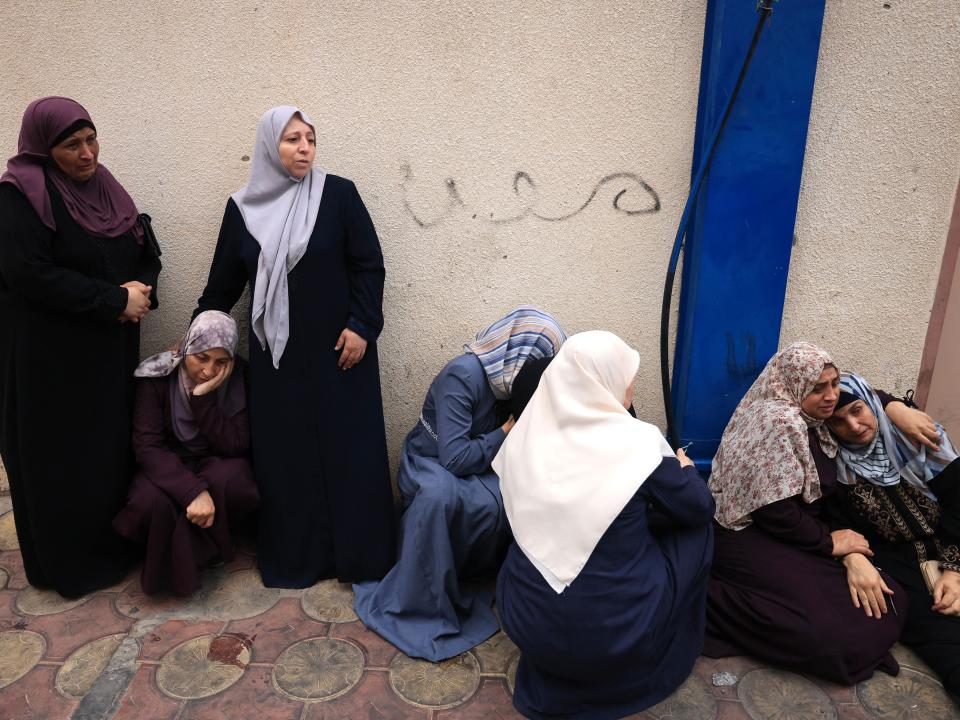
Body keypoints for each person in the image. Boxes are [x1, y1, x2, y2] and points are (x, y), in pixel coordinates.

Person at [195, 106, 394, 588]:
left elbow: (368, 265)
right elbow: (222, 288)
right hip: (277, 363)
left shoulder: (339, 195)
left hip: (342, 353)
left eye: (310, 138)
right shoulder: (242, 210)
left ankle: (362, 557)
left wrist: (363, 326)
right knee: (288, 460)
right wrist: (200, 343)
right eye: (292, 140)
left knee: (351, 454)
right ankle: (299, 560)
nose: (304, 148)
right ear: (269, 148)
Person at [494, 331, 715, 719]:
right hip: (614, 634)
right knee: (698, 527)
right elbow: (697, 507)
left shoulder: (524, 439)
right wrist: (684, 470)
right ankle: (671, 641)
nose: (631, 386)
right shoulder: (637, 444)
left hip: (528, 622)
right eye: (626, 377)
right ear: (603, 382)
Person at [0, 97, 161, 597]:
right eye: (72, 145)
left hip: (107, 356)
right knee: (60, 459)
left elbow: (140, 243)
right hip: (50, 361)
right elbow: (28, 273)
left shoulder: (106, 187)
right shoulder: (19, 197)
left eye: (92, 140)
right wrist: (114, 299)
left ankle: (114, 548)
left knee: (107, 452)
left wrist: (145, 287)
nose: (88, 154)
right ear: (44, 148)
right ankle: (67, 565)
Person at [703, 341, 931, 683]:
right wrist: (830, 544)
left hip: (793, 533)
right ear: (795, 385)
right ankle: (703, 598)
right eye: (818, 388)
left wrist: (897, 407)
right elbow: (774, 511)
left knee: (890, 598)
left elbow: (864, 392)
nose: (830, 396)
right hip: (745, 532)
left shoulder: (810, 414)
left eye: (833, 384)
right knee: (829, 634)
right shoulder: (780, 422)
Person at [353, 307, 566, 661]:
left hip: (477, 465)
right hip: (431, 462)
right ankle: (423, 599)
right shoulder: (462, 375)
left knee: (502, 499)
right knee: (439, 500)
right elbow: (453, 458)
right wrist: (505, 431)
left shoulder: (511, 387)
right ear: (519, 353)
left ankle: (464, 576)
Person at [825, 372, 960, 694]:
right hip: (896, 562)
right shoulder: (833, 466)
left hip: (953, 540)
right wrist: (853, 557)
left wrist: (954, 571)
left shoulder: (921, 439)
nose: (854, 427)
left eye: (857, 410)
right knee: (942, 636)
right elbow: (835, 523)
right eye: (839, 421)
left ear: (873, 405)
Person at [113, 311, 259, 595]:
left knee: (234, 481)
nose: (208, 371)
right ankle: (204, 550)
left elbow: (236, 444)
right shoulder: (156, 375)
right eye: (201, 358)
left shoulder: (239, 375)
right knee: (149, 501)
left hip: (214, 459)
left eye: (221, 362)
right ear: (186, 348)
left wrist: (203, 399)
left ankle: (199, 550)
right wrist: (192, 491)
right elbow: (148, 446)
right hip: (168, 462)